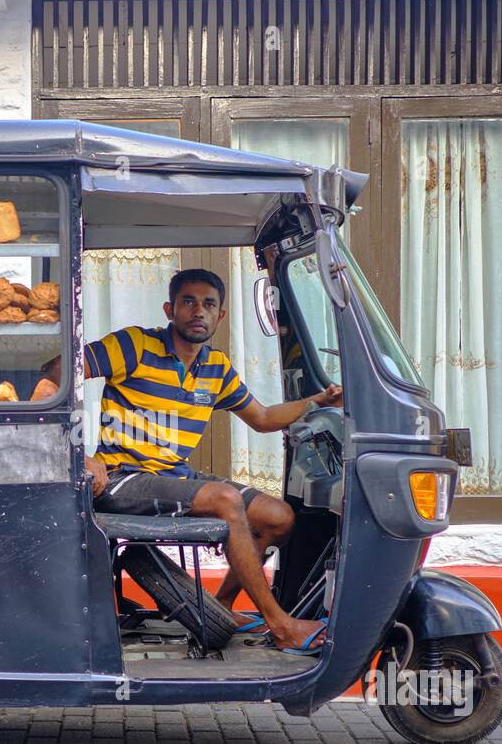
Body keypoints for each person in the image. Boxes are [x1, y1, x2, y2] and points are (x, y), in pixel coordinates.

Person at [82, 268, 342, 655]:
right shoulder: (134, 345)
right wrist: (79, 456)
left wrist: (316, 403)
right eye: (188, 302)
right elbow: (58, 376)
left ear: (221, 315)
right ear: (170, 308)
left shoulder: (216, 368)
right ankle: (281, 625)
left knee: (279, 518)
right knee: (224, 500)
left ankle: (219, 607)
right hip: (122, 477)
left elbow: (263, 418)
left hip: (173, 476)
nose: (198, 312)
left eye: (208, 304)